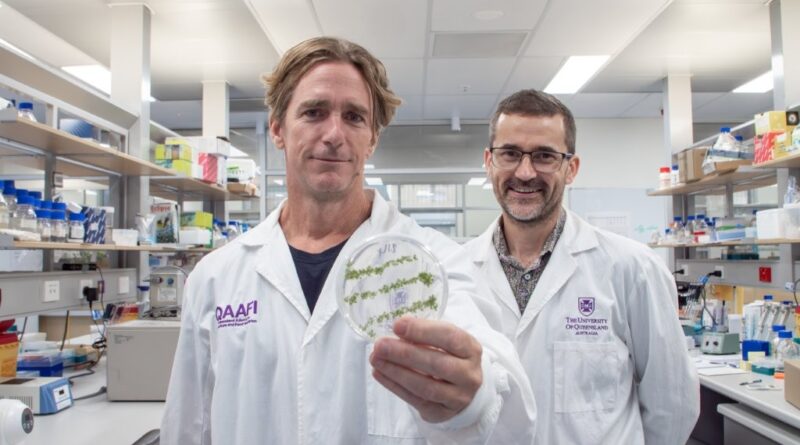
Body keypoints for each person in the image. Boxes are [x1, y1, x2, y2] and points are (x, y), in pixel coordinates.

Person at [160, 37, 535, 444]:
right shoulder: (216, 276)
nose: (334, 133)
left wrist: (473, 400)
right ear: (277, 130)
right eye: (313, 112)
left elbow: (512, 408)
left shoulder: (436, 261)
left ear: (372, 139)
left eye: (354, 117)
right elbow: (189, 424)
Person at [464, 89, 700, 444]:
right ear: (489, 162)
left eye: (545, 156)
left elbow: (673, 404)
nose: (525, 172)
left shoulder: (632, 269)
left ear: (570, 168)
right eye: (510, 154)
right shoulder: (459, 273)